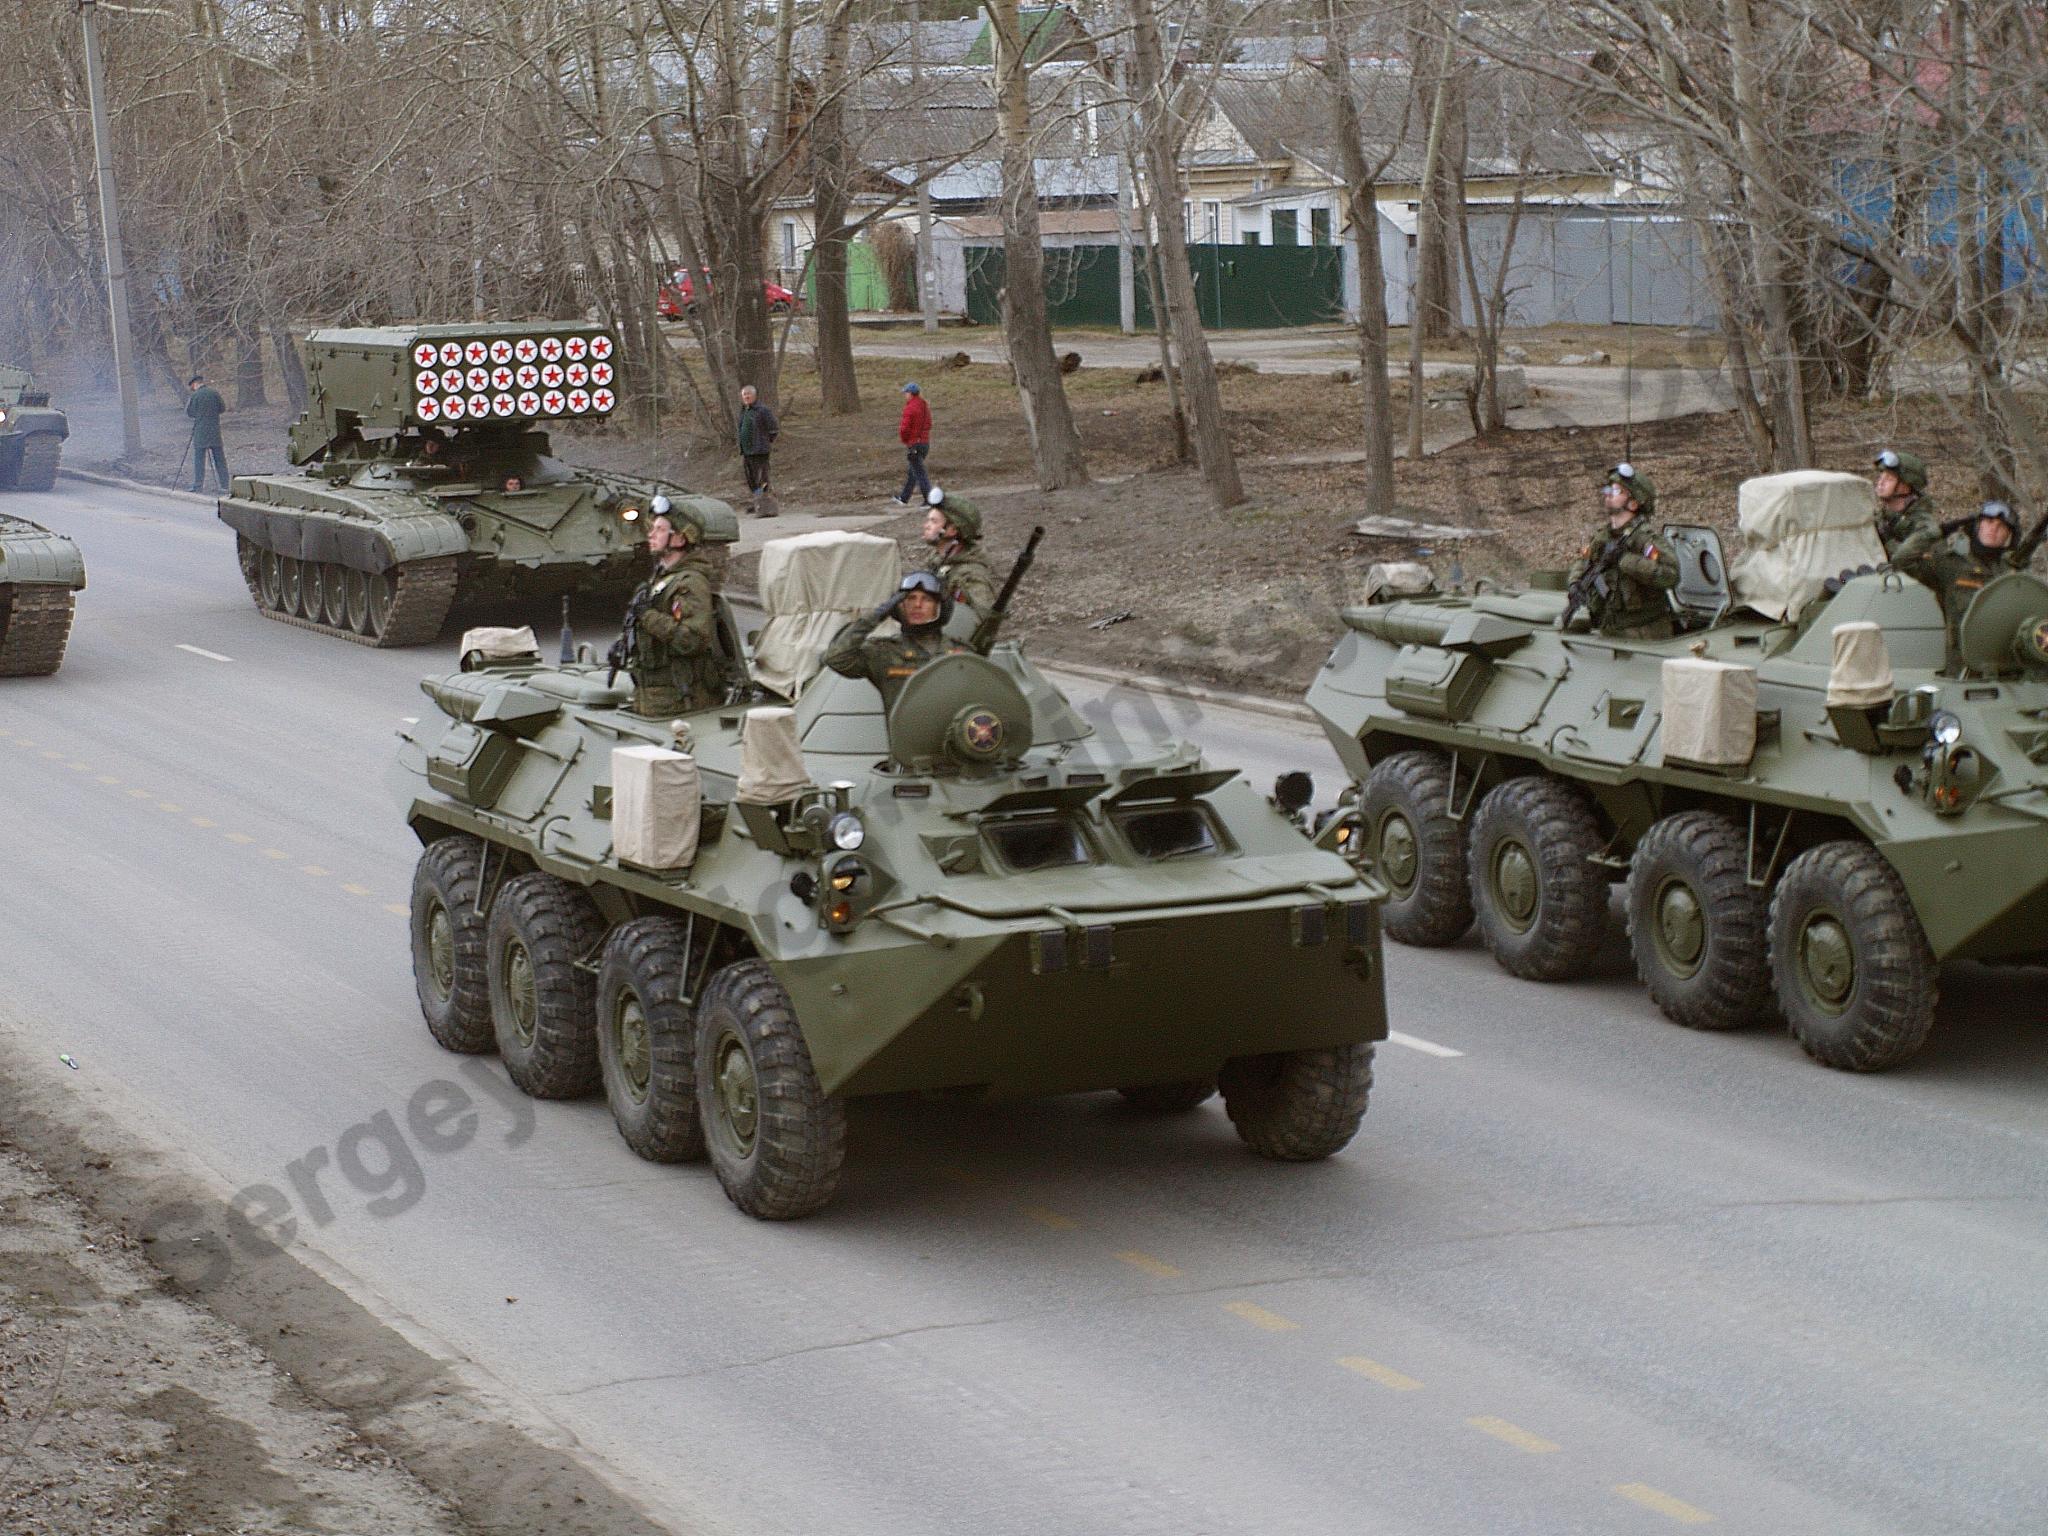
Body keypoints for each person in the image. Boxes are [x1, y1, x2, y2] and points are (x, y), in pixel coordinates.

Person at [622, 495, 737, 716]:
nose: (651, 534)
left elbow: (691, 640)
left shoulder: (690, 583)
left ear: (679, 539)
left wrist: (647, 616)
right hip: (657, 694)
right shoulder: (664, 579)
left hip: (680, 699)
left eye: (660, 529)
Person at [824, 570, 969, 711]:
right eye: (910, 598)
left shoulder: (962, 653)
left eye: (926, 599)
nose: (917, 605)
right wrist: (877, 615)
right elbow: (836, 658)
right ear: (899, 605)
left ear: (939, 607)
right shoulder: (884, 652)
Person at [1567, 463, 1679, 639]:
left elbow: (1670, 574)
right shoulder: (1603, 536)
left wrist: (1625, 560)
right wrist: (1575, 583)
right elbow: (1584, 562)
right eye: (1609, 489)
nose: (1608, 494)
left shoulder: (1645, 540)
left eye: (1617, 491)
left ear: (1633, 504)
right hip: (1610, 627)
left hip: (1644, 633)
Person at [1902, 499, 2027, 643]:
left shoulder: (2013, 572)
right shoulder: (1951, 562)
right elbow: (1903, 560)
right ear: (1978, 526)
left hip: (2002, 656)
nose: (1993, 529)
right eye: (1988, 522)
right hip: (1962, 658)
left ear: (2009, 535)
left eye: (2001, 526)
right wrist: (1941, 530)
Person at [920, 487, 997, 616]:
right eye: (928, 520)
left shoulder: (971, 576)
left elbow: (980, 621)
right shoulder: (938, 561)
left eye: (933, 521)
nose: (926, 526)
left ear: (952, 530)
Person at [1872, 448, 1943, 566]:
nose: (1880, 483)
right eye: (1881, 477)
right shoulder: (1884, 516)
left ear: (1905, 487)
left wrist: (1886, 538)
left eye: (1889, 479)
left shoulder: (1924, 528)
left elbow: (1898, 560)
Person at [736, 384, 779, 517]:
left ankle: (766, 506)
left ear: (754, 396)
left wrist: (765, 442)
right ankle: (757, 502)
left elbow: (773, 429)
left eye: (749, 395)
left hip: (760, 451)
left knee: (762, 479)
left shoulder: (762, 410)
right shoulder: (744, 411)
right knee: (752, 480)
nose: (747, 397)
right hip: (747, 451)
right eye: (744, 395)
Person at [185, 374, 228, 493]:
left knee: (199, 460)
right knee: (220, 460)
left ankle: (198, 485)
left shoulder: (195, 396)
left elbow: (190, 413)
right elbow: (222, 408)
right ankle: (225, 485)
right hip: (214, 431)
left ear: (194, 384)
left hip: (200, 432)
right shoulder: (214, 393)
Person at [892, 381, 931, 506]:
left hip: (914, 444)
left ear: (910, 394)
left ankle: (929, 499)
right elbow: (929, 424)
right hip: (925, 443)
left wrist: (906, 440)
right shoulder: (924, 406)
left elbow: (904, 429)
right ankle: (904, 497)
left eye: (906, 393)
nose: (905, 395)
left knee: (919, 473)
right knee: (913, 471)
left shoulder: (910, 408)